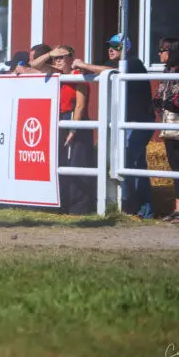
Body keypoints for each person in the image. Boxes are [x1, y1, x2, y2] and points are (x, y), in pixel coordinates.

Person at [74, 34, 155, 219]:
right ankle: (143, 209)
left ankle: (131, 206)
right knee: (135, 165)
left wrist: (84, 65)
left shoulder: (133, 62)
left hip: (137, 122)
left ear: (125, 49)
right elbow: (101, 71)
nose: (110, 49)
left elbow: (108, 71)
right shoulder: (115, 64)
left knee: (128, 163)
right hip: (129, 122)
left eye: (115, 46)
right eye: (109, 46)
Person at [34, 45, 93, 214]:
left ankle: (79, 207)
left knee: (77, 164)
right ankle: (62, 203)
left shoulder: (78, 76)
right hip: (58, 119)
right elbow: (35, 65)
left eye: (63, 57)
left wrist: (73, 129)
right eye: (56, 58)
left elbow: (80, 105)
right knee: (59, 162)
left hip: (74, 120)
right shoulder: (56, 74)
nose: (59, 61)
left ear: (71, 58)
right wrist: (50, 54)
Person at [152, 38, 179, 223]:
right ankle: (178, 207)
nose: (159, 53)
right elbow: (161, 97)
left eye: (163, 50)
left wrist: (167, 102)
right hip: (169, 124)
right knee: (174, 166)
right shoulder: (167, 72)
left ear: (174, 51)